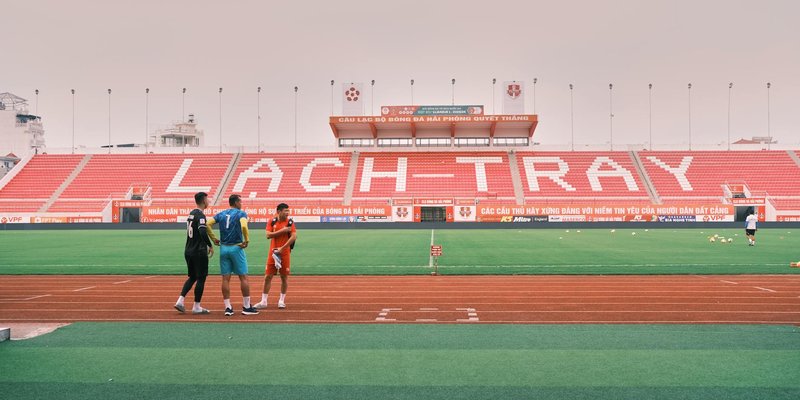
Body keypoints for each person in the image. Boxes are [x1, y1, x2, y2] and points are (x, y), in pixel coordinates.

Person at [206, 194, 259, 316]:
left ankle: (228, 307)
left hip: (224, 249)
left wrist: (214, 239)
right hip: (236, 248)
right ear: (236, 202)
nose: (241, 204)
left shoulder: (222, 214)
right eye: (240, 202)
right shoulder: (241, 214)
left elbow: (208, 224)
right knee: (243, 277)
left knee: (225, 279)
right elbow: (244, 226)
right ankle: (246, 306)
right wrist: (246, 240)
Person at [174, 192, 214, 314]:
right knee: (201, 278)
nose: (209, 201)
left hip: (188, 250)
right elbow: (202, 231)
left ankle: (180, 301)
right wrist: (209, 245)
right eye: (207, 199)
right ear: (203, 201)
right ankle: (196, 306)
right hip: (198, 251)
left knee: (192, 277)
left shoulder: (191, 214)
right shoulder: (201, 216)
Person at [255, 203, 297, 310]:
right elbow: (268, 235)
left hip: (285, 253)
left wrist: (282, 248)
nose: (288, 213)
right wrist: (282, 231)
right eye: (285, 211)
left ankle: (281, 300)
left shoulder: (290, 222)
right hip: (273, 253)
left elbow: (294, 237)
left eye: (288, 211)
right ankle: (264, 301)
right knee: (268, 276)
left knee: (284, 277)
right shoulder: (272, 221)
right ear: (279, 211)